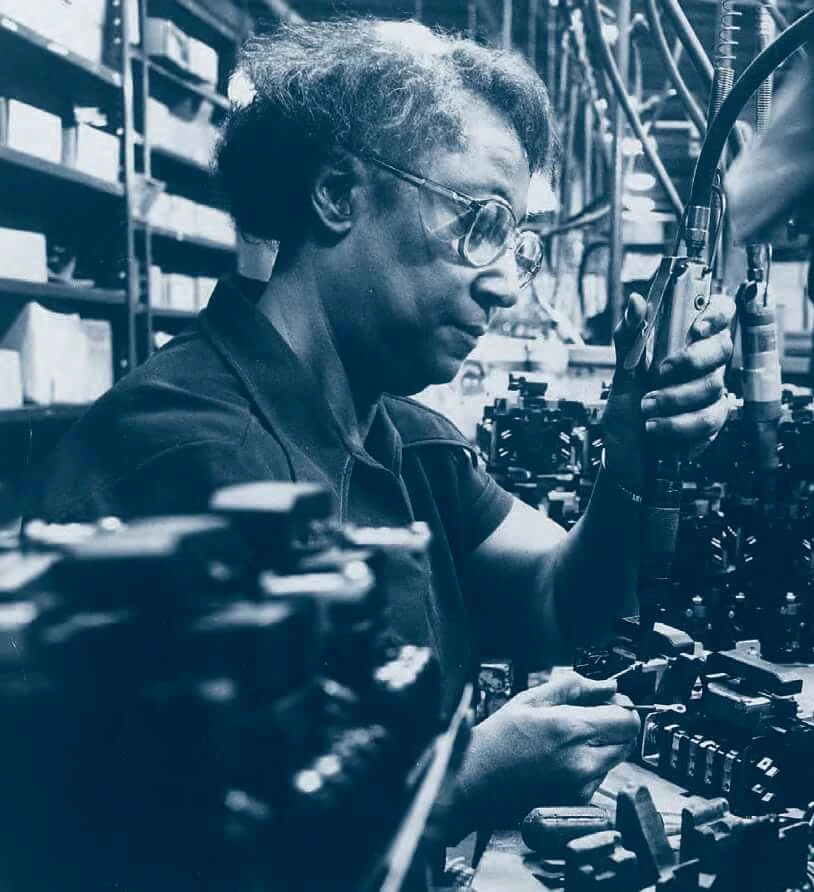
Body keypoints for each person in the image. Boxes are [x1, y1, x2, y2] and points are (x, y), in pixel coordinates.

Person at [27, 20, 734, 832]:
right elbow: (161, 842)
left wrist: (629, 464)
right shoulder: (188, 462)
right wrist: (457, 786)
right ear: (336, 194)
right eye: (481, 220)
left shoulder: (407, 437)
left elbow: (560, 602)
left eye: (516, 240)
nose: (504, 284)